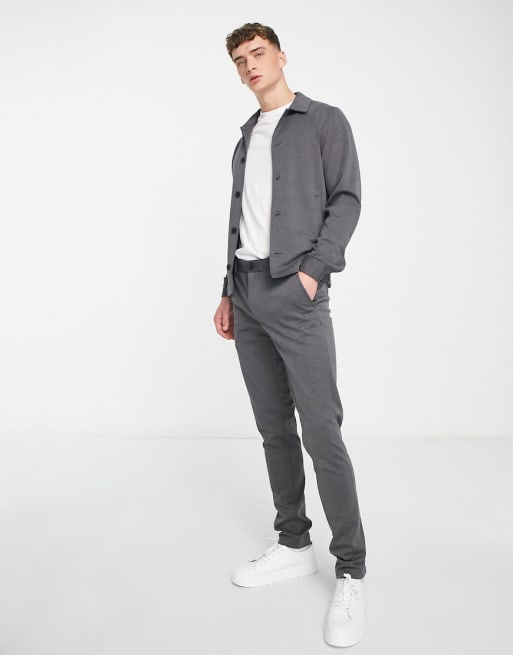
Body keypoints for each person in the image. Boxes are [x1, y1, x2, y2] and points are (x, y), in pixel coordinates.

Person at [213, 22, 367, 648]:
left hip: (295, 292)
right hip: (247, 292)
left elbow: (347, 200)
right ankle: (294, 544)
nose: (250, 65)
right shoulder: (245, 137)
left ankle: (350, 570)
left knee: (321, 431)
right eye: (239, 60)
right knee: (274, 427)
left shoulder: (324, 121)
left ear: (280, 56)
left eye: (257, 53)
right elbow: (240, 219)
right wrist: (227, 289)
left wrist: (312, 273)